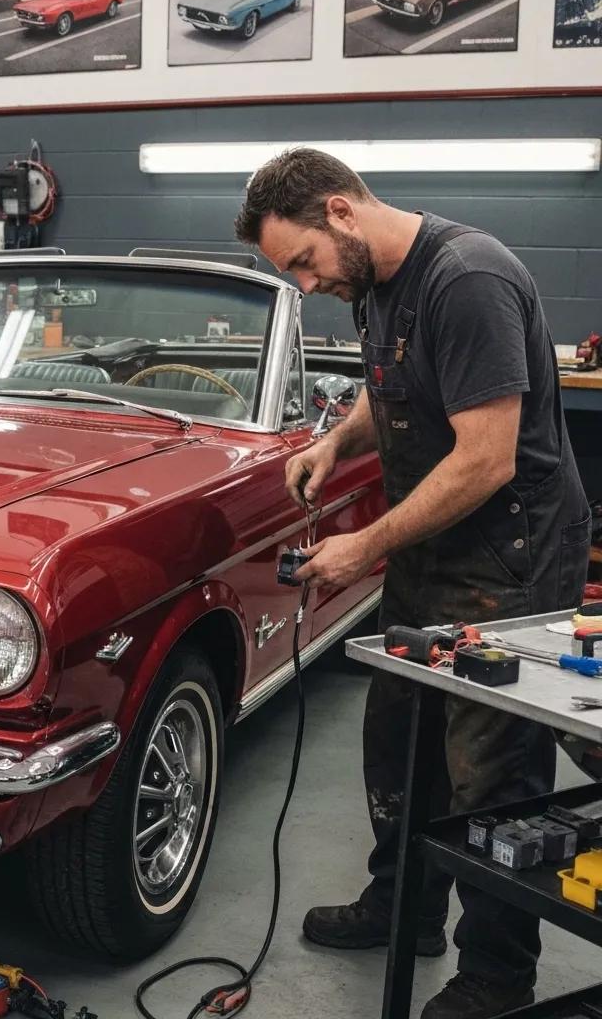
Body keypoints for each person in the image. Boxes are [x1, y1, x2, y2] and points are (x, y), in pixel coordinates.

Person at [234, 148, 590, 1019]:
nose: (307, 285)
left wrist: (365, 548)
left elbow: (487, 458)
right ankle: (404, 906)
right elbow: (390, 390)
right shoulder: (376, 285)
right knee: (400, 736)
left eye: (304, 264)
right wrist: (334, 445)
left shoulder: (467, 279)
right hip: (435, 552)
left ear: (341, 212)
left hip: (508, 553)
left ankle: (497, 975)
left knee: (490, 767)